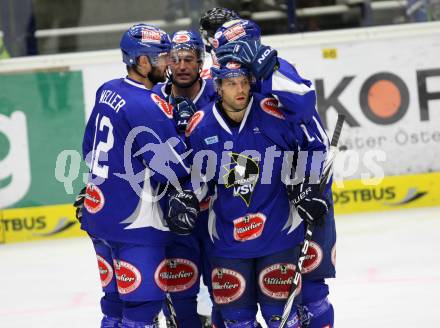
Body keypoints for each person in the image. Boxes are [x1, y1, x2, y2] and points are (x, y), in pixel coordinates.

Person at [178, 48, 330, 326]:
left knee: (281, 319)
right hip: (227, 243)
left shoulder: (272, 113)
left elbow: (313, 147)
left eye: (245, 82)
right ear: (218, 87)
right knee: (237, 322)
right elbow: (198, 180)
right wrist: (185, 199)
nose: (240, 89)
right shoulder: (201, 126)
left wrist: (306, 185)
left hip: (279, 236)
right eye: (231, 83)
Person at [212, 18, 337, 328]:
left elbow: (311, 129)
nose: (218, 55)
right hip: (241, 206)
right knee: (228, 298)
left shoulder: (279, 73)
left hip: (300, 197)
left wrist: (307, 185)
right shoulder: (226, 80)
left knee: (311, 293)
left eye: (224, 48)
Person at [78, 24, 199, 328]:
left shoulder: (107, 89)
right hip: (135, 222)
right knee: (141, 309)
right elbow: (173, 168)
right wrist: (184, 130)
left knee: (114, 304)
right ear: (142, 62)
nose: (169, 63)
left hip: (99, 214)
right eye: (161, 57)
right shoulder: (146, 105)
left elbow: (88, 150)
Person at [151, 29, 218, 327]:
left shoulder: (219, 93)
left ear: (200, 61)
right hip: (174, 218)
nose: (181, 66)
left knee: (228, 296)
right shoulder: (154, 99)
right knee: (180, 303)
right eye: (175, 59)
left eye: (188, 59)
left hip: (218, 214)